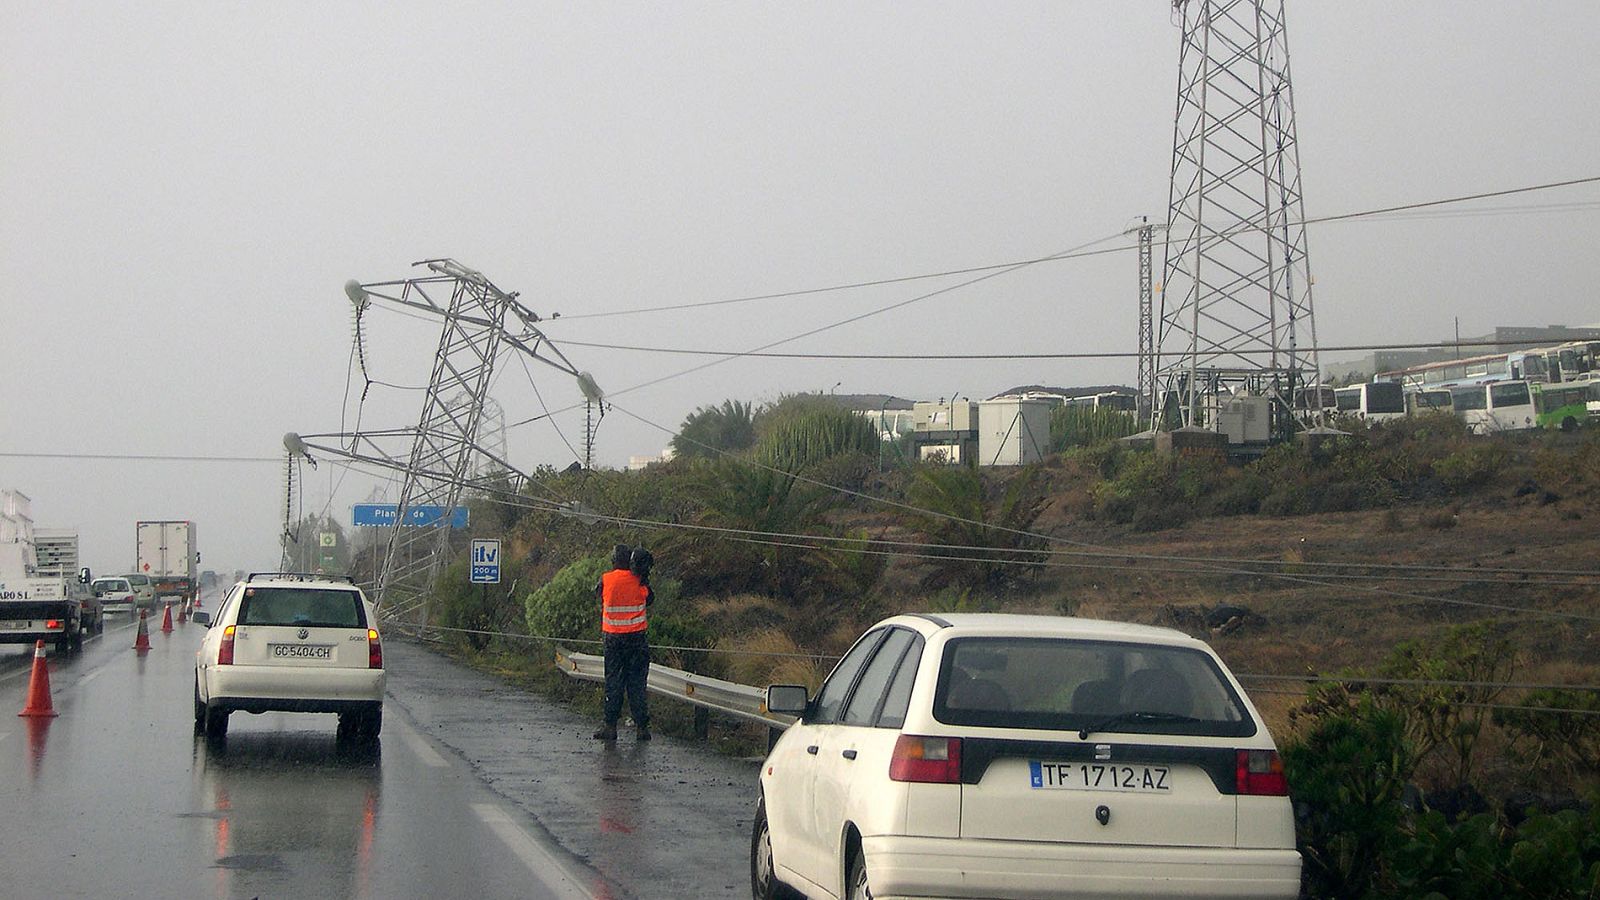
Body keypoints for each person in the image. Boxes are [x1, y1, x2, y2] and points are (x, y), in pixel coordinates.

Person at [593, 544, 652, 741]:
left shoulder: (606, 579)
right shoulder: (639, 581)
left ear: (614, 560)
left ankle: (610, 727)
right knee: (636, 684)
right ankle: (642, 728)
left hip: (613, 639)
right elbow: (649, 598)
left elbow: (598, 595)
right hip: (637, 639)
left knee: (614, 683)